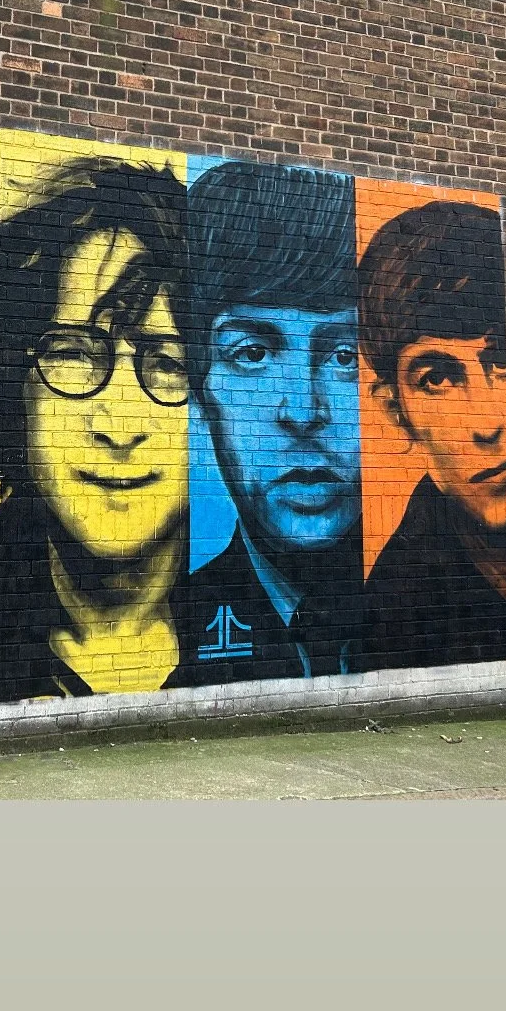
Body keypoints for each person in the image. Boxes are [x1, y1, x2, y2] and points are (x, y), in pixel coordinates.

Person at [0, 156, 190, 701]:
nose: (118, 426)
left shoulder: (275, 634)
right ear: (17, 394)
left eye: (167, 363)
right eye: (74, 354)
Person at [177, 159, 364, 682]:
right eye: (253, 353)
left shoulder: (446, 613)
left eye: (345, 355)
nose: (304, 412)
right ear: (199, 386)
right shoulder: (170, 641)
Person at [356, 199, 506, 670]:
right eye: (437, 379)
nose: (487, 423)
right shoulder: (393, 612)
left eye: (504, 361)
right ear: (396, 411)